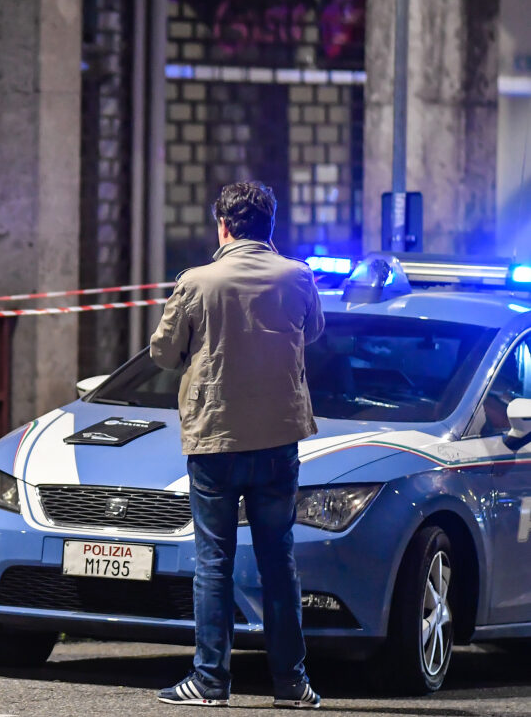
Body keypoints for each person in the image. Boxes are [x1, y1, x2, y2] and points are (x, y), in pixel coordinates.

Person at [148, 181, 324, 709]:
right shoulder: (297, 276)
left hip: (215, 439)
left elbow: (161, 352)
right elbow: (313, 331)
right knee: (279, 561)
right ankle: (292, 685)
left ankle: (210, 681)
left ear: (222, 225)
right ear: (270, 227)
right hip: (278, 440)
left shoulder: (197, 282)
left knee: (213, 563)